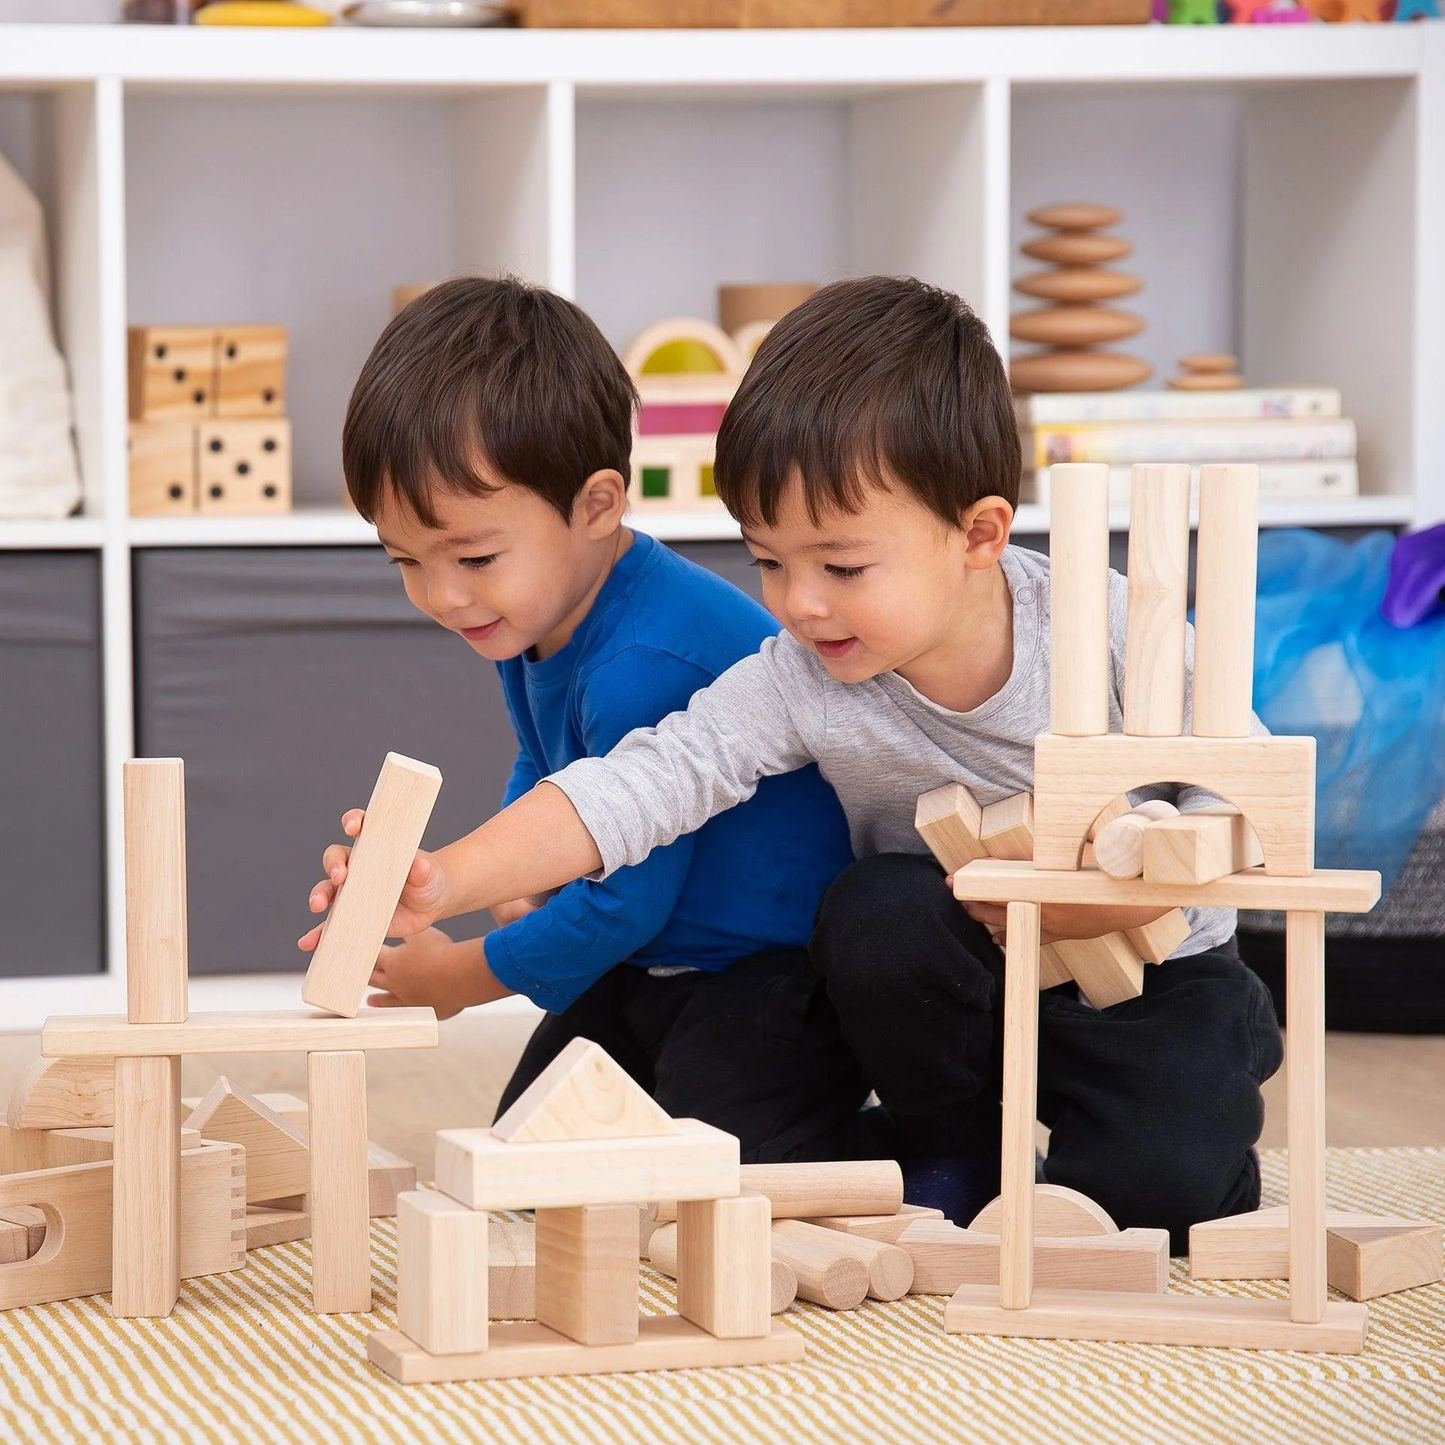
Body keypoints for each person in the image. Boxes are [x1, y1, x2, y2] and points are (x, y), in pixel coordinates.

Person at [309, 276, 1282, 1241]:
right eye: (769, 560)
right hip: (963, 980)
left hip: (1146, 973)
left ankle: (1185, 1121)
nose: (799, 603)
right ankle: (950, 1147)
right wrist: (442, 877)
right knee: (874, 909)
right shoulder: (801, 673)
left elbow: (1250, 797)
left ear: (978, 533)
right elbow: (638, 782)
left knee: (1152, 1203)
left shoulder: (1106, 624)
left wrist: (1121, 887)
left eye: (841, 566)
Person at [310, 276, 872, 1163]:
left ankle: (907, 1146)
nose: (444, 596)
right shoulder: (535, 614)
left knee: (713, 1185)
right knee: (534, 1162)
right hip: (646, 961)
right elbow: (548, 767)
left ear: (597, 505)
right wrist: (469, 879)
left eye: (475, 555)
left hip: (765, 973)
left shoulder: (643, 661)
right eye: (407, 561)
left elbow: (622, 898)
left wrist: (457, 977)